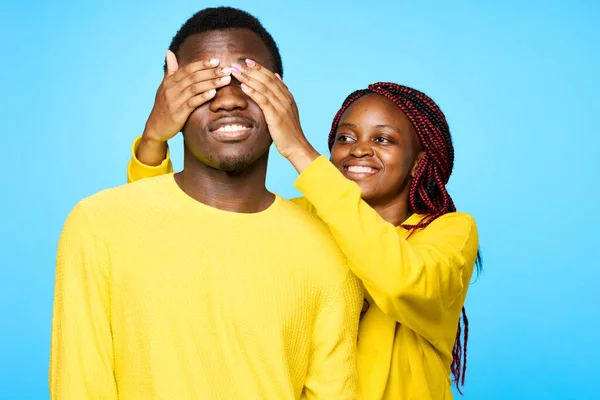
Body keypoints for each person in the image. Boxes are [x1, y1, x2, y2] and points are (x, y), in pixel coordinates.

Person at [50, 7, 364, 400]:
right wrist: (152, 138)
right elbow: (80, 387)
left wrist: (299, 147)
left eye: (248, 81)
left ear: (281, 96)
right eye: (203, 84)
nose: (227, 101)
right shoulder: (97, 225)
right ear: (171, 99)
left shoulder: (329, 246)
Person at [129, 56, 480, 398]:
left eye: (383, 140)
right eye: (345, 138)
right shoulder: (299, 219)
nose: (359, 150)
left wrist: (297, 147)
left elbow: (402, 283)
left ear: (420, 160)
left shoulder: (447, 231)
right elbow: (183, 239)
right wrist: (153, 140)